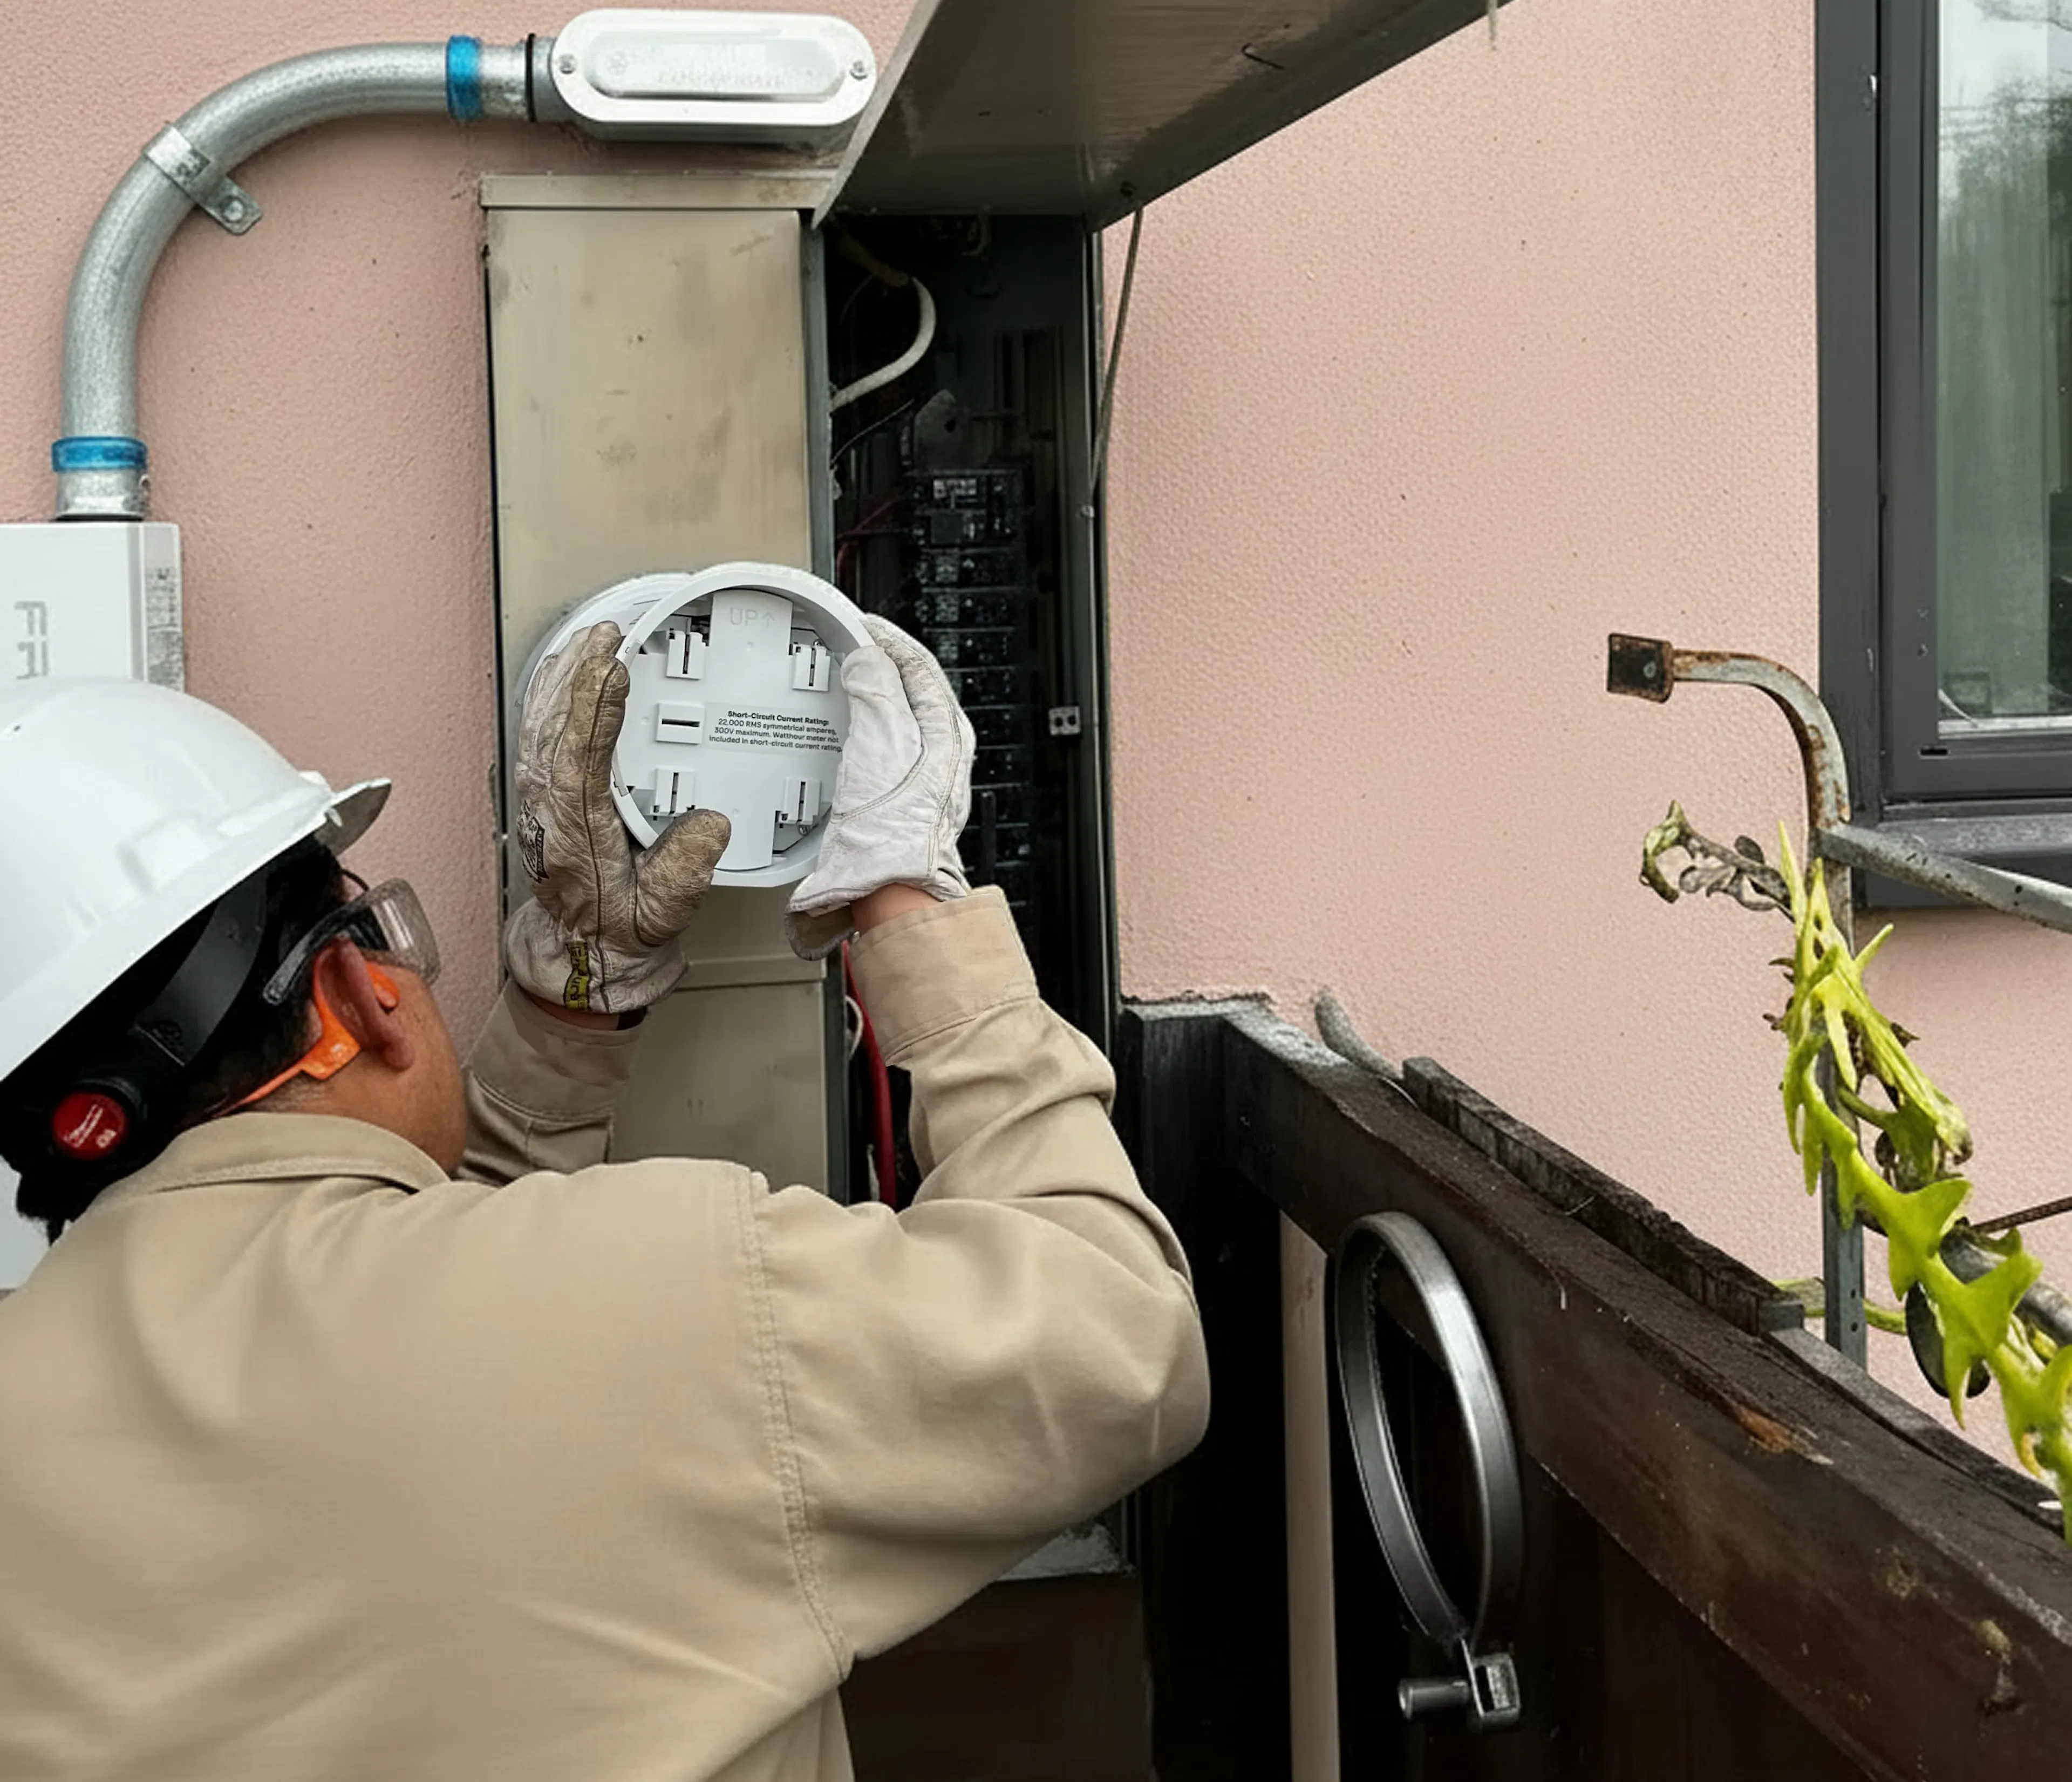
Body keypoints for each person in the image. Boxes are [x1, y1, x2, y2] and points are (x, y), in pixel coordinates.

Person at [0, 618, 1209, 1781]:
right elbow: (1116, 1339)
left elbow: (399, 1328)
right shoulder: (683, 1297)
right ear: (357, 992)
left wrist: (578, 995)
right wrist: (912, 908)